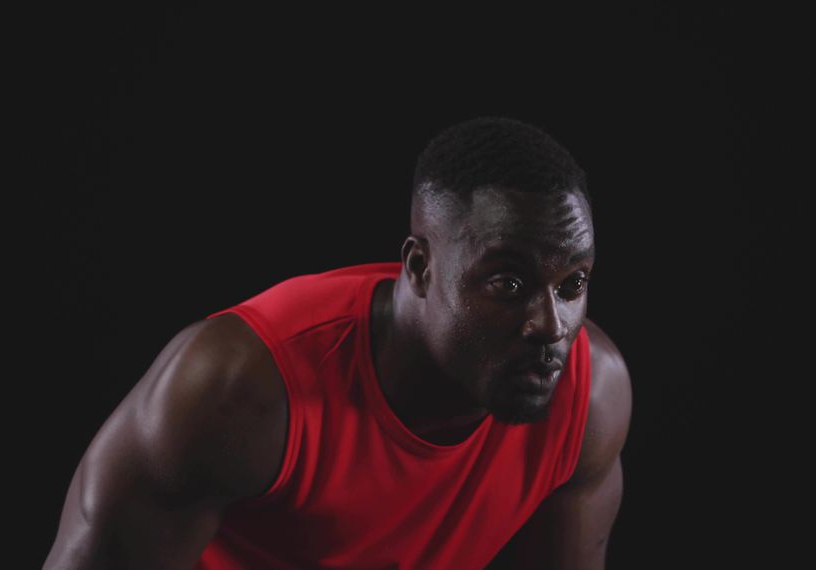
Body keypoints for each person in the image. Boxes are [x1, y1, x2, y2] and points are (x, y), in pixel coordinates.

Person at [43, 117, 632, 570]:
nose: (551, 325)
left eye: (572, 283)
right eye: (508, 283)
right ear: (421, 268)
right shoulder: (239, 388)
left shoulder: (588, 395)